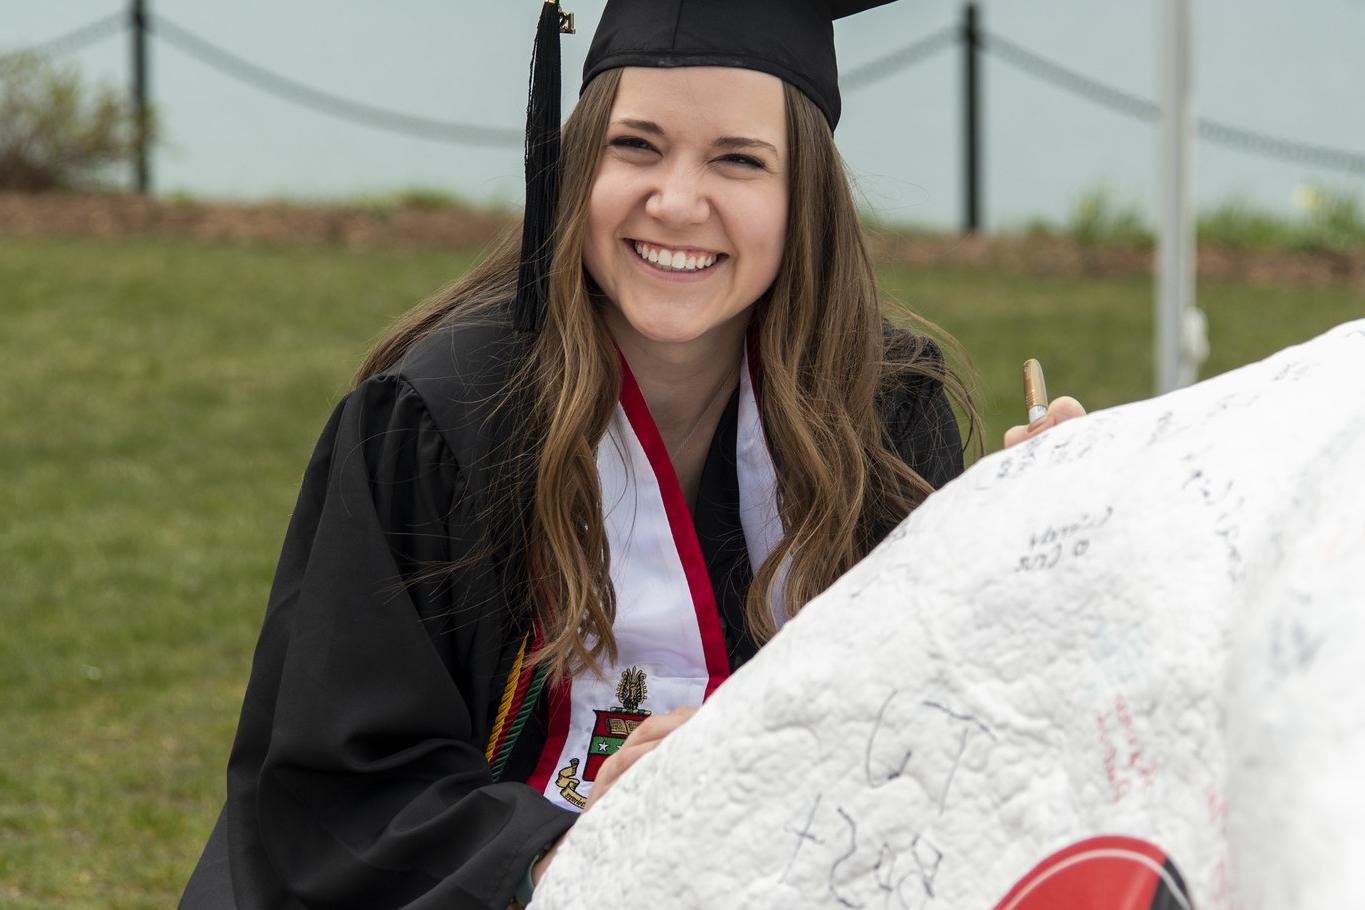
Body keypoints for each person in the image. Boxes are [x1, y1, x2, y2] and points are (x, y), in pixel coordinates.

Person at [180, 2, 1083, 908]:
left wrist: (1031, 555)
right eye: (636, 146)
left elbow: (948, 734)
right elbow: (338, 787)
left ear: (803, 195)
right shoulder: (439, 419)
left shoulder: (887, 414)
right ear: (577, 168)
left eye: (738, 159)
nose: (678, 202)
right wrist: (576, 850)